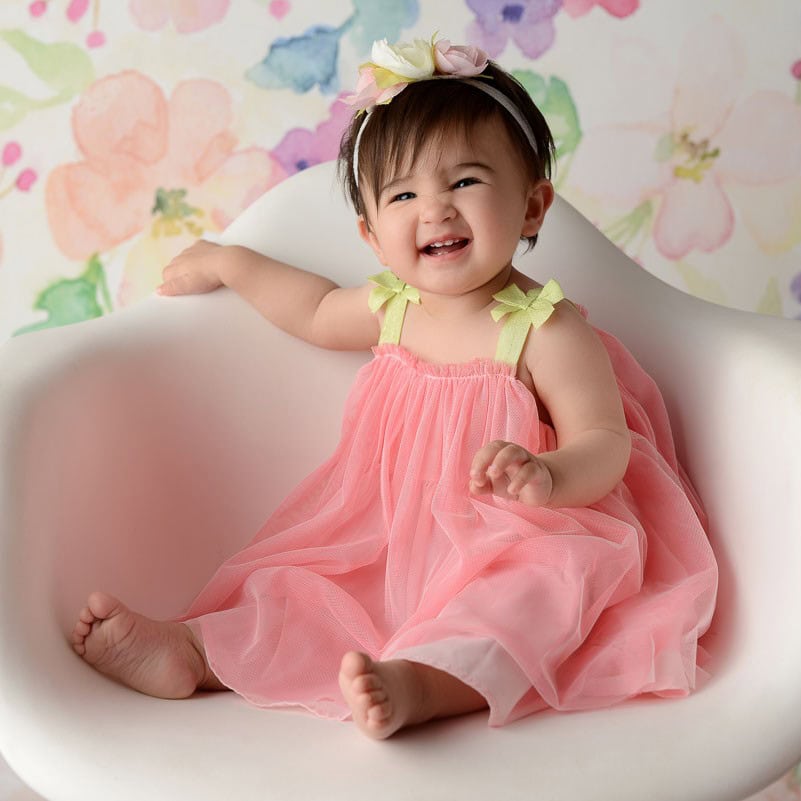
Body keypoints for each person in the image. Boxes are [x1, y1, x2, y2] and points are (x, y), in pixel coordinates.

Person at [71, 35, 718, 741]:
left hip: (521, 533)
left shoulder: (546, 331)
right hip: (391, 532)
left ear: (532, 207)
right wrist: (231, 262)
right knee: (313, 589)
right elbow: (312, 309)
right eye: (403, 193)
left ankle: (420, 683)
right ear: (372, 235)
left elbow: (605, 442)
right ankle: (196, 652)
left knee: (531, 598)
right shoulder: (393, 307)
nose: (435, 210)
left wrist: (546, 473)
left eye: (465, 182)